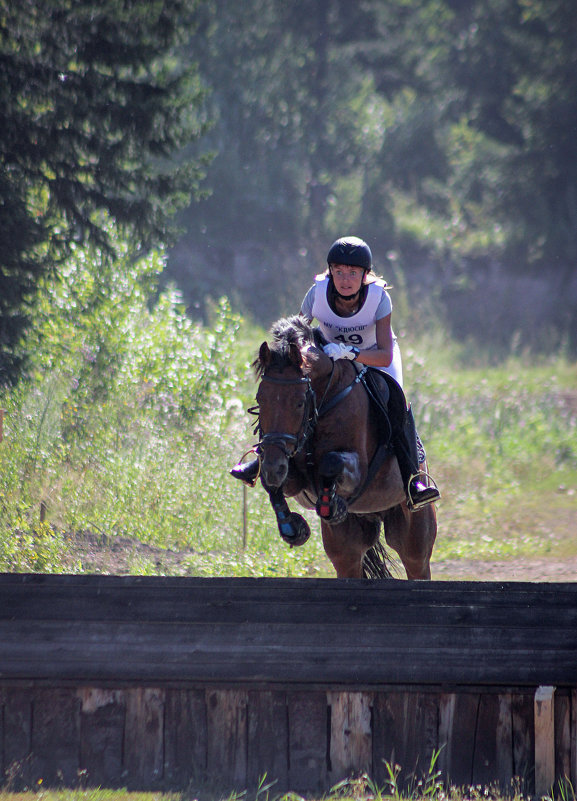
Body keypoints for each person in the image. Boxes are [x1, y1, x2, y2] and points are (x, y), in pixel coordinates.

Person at [231, 235, 440, 510]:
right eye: (339, 272)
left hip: (374, 356)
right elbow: (294, 336)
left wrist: (351, 354)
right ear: (330, 272)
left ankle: (414, 479)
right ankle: (260, 458)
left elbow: (385, 354)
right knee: (291, 395)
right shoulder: (317, 293)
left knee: (396, 400)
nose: (345, 280)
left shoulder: (379, 298)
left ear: (365, 275)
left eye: (353, 273)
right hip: (331, 357)